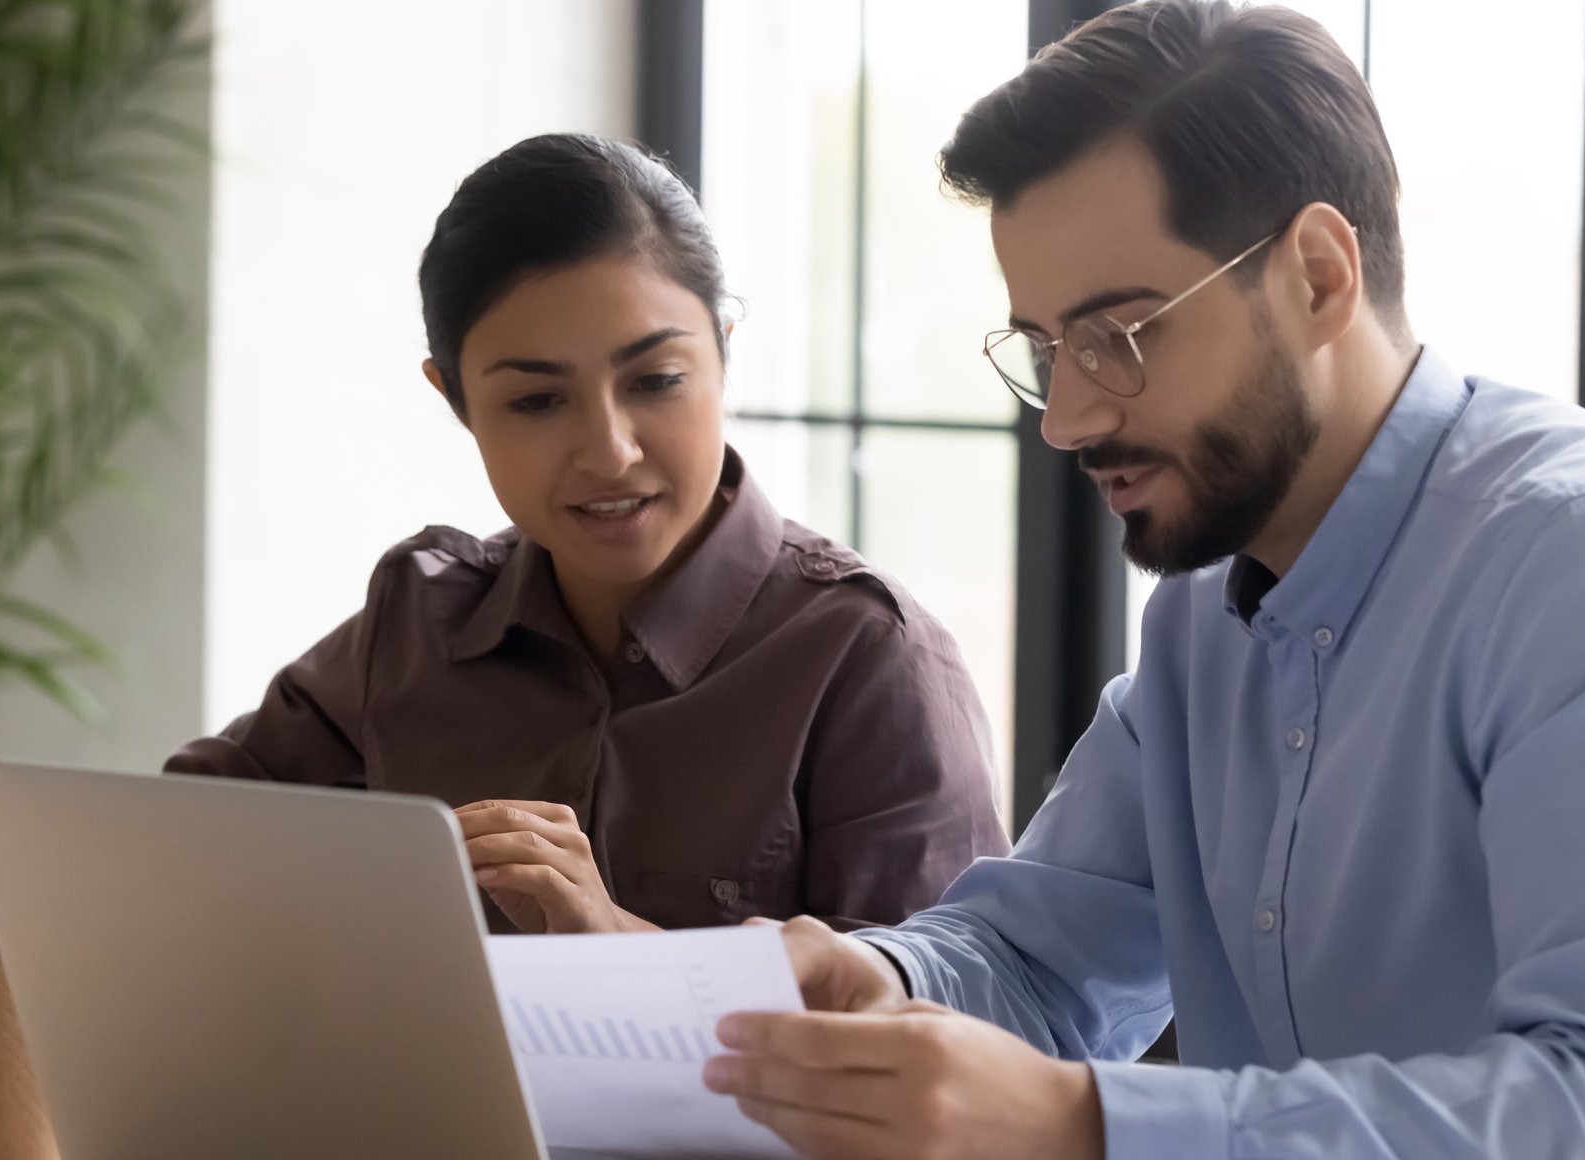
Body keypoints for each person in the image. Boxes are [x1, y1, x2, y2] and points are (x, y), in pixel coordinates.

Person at [702, 3, 1585, 1157]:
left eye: (1121, 336)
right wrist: (876, 973)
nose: (1072, 417)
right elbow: (1043, 955)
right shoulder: (1208, 603)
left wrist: (1078, 1120)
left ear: (1318, 276)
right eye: (1046, 351)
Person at [167, 133, 1009, 935]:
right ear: (456, 401)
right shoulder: (419, 622)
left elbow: (931, 1046)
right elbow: (170, 842)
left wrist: (621, 950)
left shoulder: (869, 660)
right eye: (536, 401)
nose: (610, 452)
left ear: (724, 353)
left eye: (657, 380)